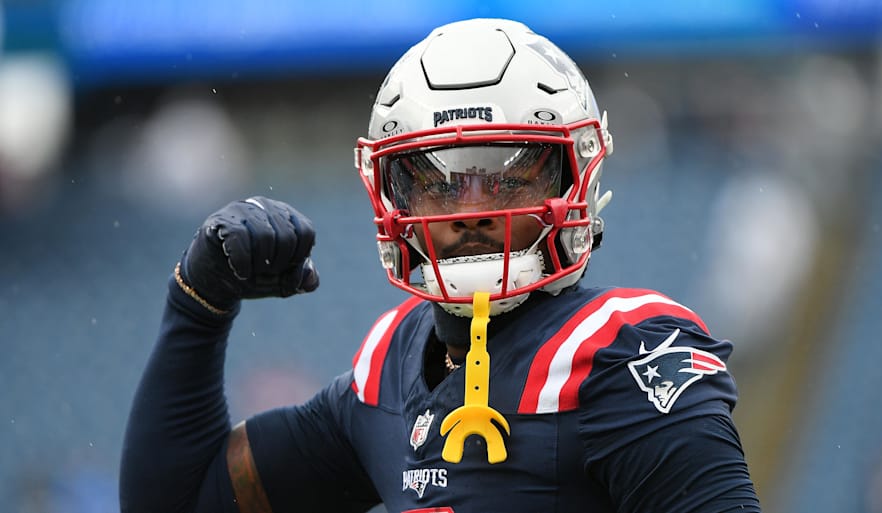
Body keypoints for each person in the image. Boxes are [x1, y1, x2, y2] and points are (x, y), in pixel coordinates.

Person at [119, 18, 762, 513]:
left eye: (507, 178)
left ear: (576, 179)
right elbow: (181, 503)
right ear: (392, 193)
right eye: (439, 182)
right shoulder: (390, 365)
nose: (470, 212)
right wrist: (197, 303)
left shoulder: (625, 352)